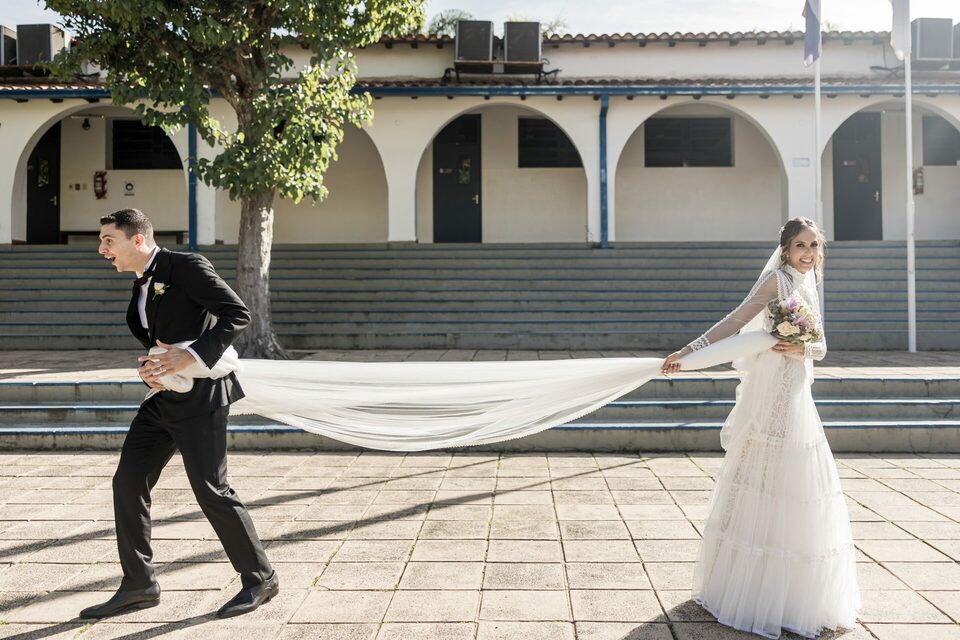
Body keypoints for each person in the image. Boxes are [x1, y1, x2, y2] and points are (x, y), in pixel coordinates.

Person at [661, 217, 860, 639]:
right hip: (771, 391)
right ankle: (748, 585)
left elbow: (821, 347)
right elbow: (736, 321)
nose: (808, 254)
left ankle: (791, 592)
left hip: (797, 392)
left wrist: (801, 346)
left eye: (814, 246)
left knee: (797, 482)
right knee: (764, 474)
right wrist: (689, 352)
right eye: (800, 246)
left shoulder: (811, 283)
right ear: (785, 249)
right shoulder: (776, 281)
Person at [81, 209, 278, 620]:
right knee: (128, 481)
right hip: (164, 398)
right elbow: (160, 339)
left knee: (211, 489)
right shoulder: (141, 283)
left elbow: (236, 314)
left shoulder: (185, 266)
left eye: (107, 240)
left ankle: (260, 579)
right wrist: (151, 368)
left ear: (137, 240)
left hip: (203, 395)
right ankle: (139, 584)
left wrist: (186, 356)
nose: (101, 249)